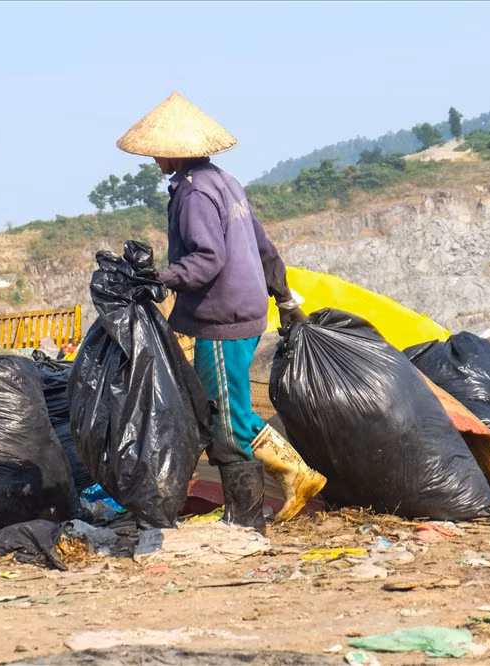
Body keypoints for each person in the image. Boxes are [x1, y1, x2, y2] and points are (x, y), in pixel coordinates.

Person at [116, 92, 325, 534]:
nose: (155, 159)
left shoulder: (193, 195)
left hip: (221, 319)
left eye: (159, 152)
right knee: (229, 408)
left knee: (225, 420)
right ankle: (291, 477)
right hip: (248, 310)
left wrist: (162, 278)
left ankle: (250, 517)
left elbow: (207, 259)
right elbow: (263, 247)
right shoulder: (226, 183)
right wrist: (284, 297)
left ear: (174, 153)